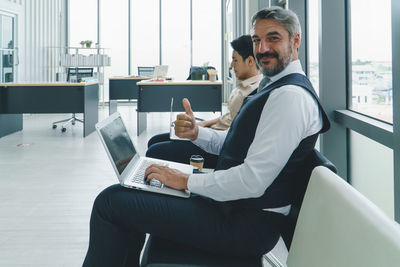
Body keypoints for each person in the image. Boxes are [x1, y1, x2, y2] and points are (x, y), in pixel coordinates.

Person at [83, 7, 330, 267]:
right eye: (257, 40)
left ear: (296, 40)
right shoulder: (276, 87)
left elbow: (252, 181)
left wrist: (185, 180)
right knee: (126, 195)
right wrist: (197, 133)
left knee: (110, 203)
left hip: (243, 225)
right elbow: (239, 145)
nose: (263, 48)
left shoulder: (290, 98)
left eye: (273, 38)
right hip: (233, 209)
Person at [146, 34, 263, 169]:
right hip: (210, 132)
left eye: (235, 60)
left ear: (250, 61)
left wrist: (200, 132)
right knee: (154, 140)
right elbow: (228, 117)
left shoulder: (253, 93)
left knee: (154, 150)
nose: (231, 64)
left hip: (216, 147)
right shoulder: (242, 87)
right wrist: (203, 124)